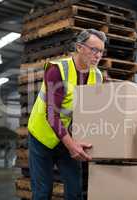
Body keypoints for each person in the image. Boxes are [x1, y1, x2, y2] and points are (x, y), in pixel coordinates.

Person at [27, 29, 106, 200]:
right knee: (42, 192)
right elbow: (51, 114)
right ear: (79, 47)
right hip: (42, 135)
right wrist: (72, 145)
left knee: (75, 191)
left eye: (101, 51)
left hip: (68, 135)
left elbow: (104, 105)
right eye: (94, 50)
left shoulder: (97, 76)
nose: (98, 55)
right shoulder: (58, 70)